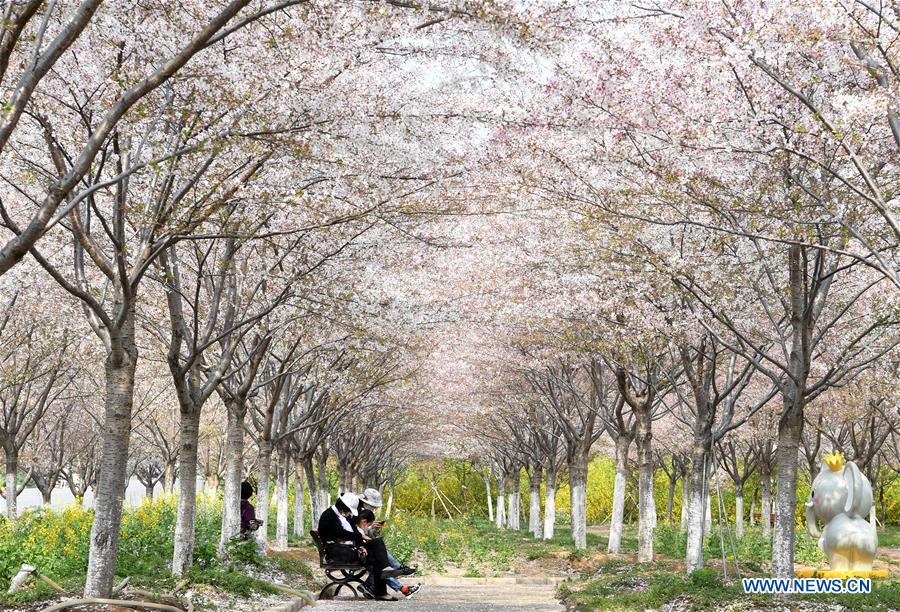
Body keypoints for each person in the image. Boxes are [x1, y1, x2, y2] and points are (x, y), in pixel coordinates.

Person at [317, 492, 399, 601]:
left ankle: (383, 583)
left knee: (377, 543)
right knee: (377, 556)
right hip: (338, 552)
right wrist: (360, 538)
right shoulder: (329, 516)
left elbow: (355, 535)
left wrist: (361, 546)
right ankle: (383, 584)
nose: (349, 512)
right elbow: (341, 533)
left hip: (350, 549)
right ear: (342, 506)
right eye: (348, 510)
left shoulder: (345, 517)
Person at [358, 508, 421, 599]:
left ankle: (368, 584)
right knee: (382, 566)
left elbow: (369, 535)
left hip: (366, 551)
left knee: (382, 564)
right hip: (361, 553)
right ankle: (401, 577)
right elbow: (361, 536)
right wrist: (369, 529)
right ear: (364, 521)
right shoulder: (355, 521)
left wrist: (373, 529)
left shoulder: (361, 519)